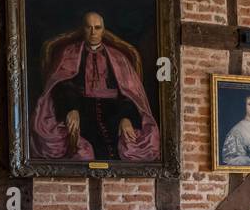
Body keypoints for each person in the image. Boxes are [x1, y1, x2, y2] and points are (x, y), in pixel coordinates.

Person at [30, 11, 160, 161]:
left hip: (114, 111)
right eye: (88, 27)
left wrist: (126, 117)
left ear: (103, 30)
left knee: (135, 143)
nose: (93, 32)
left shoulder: (118, 58)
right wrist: (71, 109)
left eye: (97, 28)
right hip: (80, 109)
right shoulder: (69, 53)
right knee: (75, 146)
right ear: (82, 29)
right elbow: (60, 85)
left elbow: (129, 93)